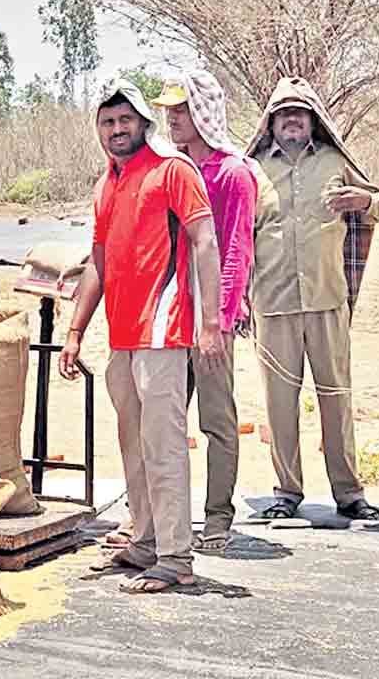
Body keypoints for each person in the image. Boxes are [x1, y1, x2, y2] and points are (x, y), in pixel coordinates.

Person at [60, 79, 224, 593]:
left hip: (164, 329)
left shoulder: (173, 171)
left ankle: (176, 557)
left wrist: (211, 321)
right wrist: (74, 331)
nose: (116, 130)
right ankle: (147, 540)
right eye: (107, 122)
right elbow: (100, 263)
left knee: (164, 443)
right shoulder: (107, 184)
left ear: (143, 125)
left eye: (125, 120)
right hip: (123, 336)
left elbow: (205, 240)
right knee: (132, 441)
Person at [245, 77, 379, 522]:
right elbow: (234, 233)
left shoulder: (335, 161)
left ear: (313, 121)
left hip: (327, 298)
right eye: (283, 113)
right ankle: (286, 492)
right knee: (279, 402)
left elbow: (377, 203)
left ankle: (350, 494)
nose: (291, 119)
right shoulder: (252, 171)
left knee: (336, 396)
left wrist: (365, 198)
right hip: (272, 301)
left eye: (299, 113)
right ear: (271, 122)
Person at [153, 71, 257, 554]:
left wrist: (219, 319)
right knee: (166, 415)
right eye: (169, 112)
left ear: (203, 113)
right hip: (171, 309)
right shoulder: (171, 168)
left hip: (210, 314)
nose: (172, 119)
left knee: (216, 419)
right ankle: (165, 517)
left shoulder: (232, 173)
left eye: (181, 110)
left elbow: (236, 248)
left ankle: (218, 517)